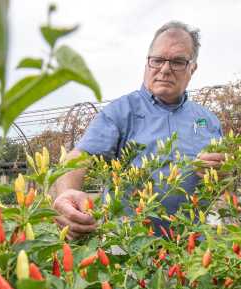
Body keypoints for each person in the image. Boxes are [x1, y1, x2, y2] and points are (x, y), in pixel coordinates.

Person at [53, 21, 224, 239]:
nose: (165, 69)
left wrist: (221, 169)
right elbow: (79, 157)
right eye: (158, 60)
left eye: (178, 62)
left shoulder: (207, 119)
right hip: (130, 247)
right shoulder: (121, 112)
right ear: (147, 63)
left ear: (193, 68)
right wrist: (68, 192)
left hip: (193, 244)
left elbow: (221, 170)